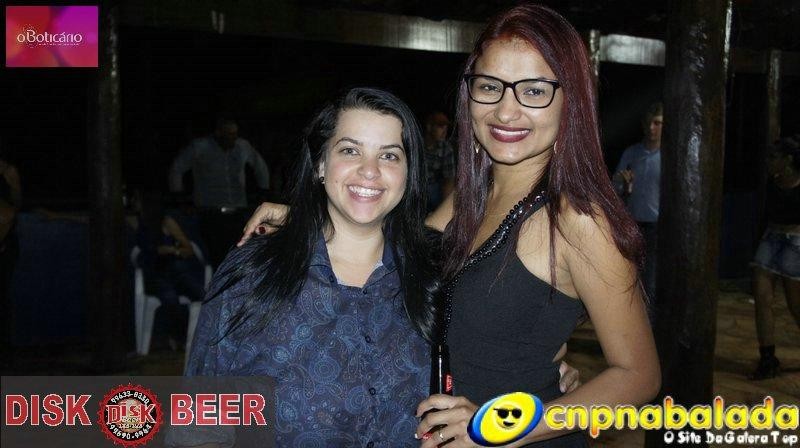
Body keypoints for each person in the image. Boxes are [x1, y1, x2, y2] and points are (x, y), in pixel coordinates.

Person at [239, 8, 655, 446]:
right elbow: (400, 245)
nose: (506, 111)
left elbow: (639, 375)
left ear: (571, 100)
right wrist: (312, 219)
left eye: (534, 90)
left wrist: (499, 426)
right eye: (490, 87)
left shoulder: (577, 219)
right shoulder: (472, 195)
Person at [169, 118, 271, 268]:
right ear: (218, 133)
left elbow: (260, 167)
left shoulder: (242, 146)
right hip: (210, 211)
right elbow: (177, 169)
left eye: (235, 134)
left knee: (239, 253)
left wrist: (264, 191)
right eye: (229, 134)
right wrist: (180, 198)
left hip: (237, 211)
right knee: (215, 256)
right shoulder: (200, 147)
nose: (233, 138)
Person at [750, 135, 800, 380]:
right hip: (771, 238)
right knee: (762, 297)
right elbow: (763, 216)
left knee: (795, 304)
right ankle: (767, 358)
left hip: (796, 241)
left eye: (774, 157)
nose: (769, 161)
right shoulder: (771, 183)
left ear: (788, 160)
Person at [129, 189, 206, 348]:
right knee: (170, 297)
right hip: (155, 274)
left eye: (137, 200)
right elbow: (143, 253)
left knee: (201, 293)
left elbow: (188, 249)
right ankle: (178, 338)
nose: (133, 203)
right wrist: (156, 251)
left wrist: (171, 250)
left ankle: (204, 337)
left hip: (175, 271)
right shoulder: (137, 223)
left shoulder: (166, 222)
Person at [612, 102, 663, 311]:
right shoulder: (632, 153)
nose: (652, 128)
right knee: (630, 277)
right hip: (633, 224)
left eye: (657, 123)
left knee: (651, 279)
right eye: (649, 123)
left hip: (657, 226)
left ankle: (649, 323)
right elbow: (615, 186)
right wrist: (623, 183)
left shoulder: (669, 156)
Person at [423, 111, 456, 212]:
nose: (444, 131)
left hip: (432, 187)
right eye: (441, 127)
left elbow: (449, 179)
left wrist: (445, 208)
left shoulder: (446, 148)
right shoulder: (416, 144)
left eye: (446, 127)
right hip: (414, 185)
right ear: (429, 127)